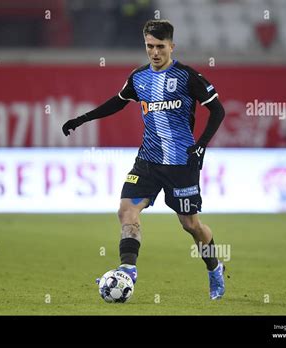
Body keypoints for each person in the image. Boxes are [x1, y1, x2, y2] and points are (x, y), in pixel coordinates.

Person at [62, 20, 226, 300]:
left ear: (172, 46)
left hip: (180, 164)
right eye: (150, 46)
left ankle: (214, 267)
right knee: (126, 211)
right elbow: (117, 101)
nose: (155, 52)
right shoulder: (138, 78)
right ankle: (128, 269)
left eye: (160, 46)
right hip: (147, 162)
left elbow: (218, 111)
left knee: (191, 226)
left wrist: (200, 147)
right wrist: (82, 119)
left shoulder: (188, 77)